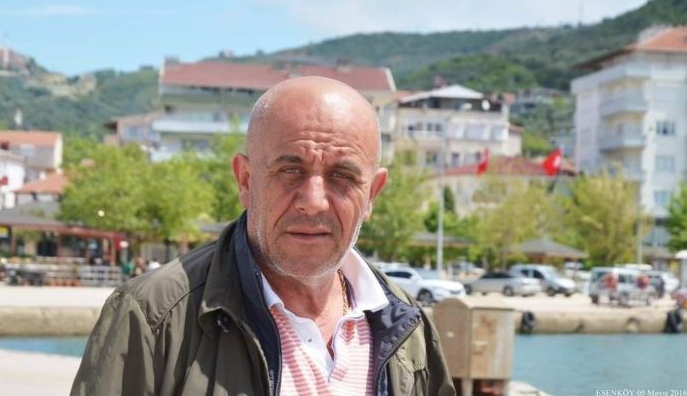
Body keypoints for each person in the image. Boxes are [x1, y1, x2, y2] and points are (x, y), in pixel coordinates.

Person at [72, 76, 455, 395]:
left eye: (342, 176)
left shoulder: (408, 327)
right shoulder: (152, 317)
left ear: (371, 194)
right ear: (245, 179)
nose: (313, 202)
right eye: (291, 171)